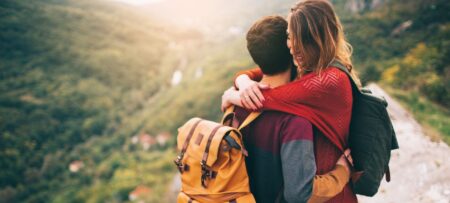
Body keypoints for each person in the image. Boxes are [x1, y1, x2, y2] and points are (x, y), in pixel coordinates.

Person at [222, 1, 360, 202]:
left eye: (300, 38)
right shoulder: (307, 70)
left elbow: (266, 98)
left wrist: (231, 95)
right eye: (289, 36)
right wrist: (242, 81)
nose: (292, 44)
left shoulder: (328, 80)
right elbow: (261, 73)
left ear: (317, 39)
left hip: (333, 195)